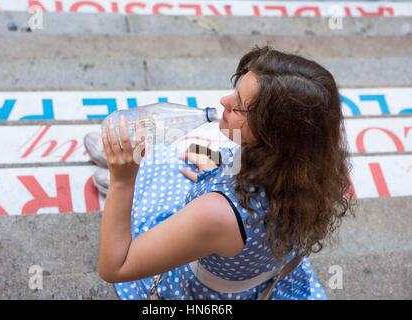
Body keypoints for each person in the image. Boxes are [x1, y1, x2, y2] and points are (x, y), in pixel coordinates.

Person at [93, 45, 357, 300]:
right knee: (184, 157)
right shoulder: (307, 168)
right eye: (235, 91)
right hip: (252, 270)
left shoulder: (216, 213)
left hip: (197, 282)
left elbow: (115, 268)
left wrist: (123, 183)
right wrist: (220, 170)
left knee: (162, 160)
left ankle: (127, 186)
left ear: (272, 136)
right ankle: (133, 177)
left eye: (239, 106)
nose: (224, 101)